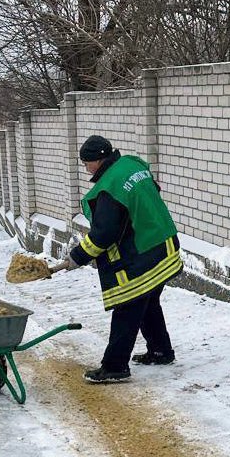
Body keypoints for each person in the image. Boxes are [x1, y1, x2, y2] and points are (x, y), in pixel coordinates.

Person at [66, 135, 183, 383]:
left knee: (127, 305)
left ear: (97, 160)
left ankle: (115, 366)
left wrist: (78, 255)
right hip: (164, 243)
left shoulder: (109, 187)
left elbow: (104, 234)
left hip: (145, 252)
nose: (86, 169)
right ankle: (161, 350)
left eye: (86, 163)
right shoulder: (132, 166)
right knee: (148, 300)